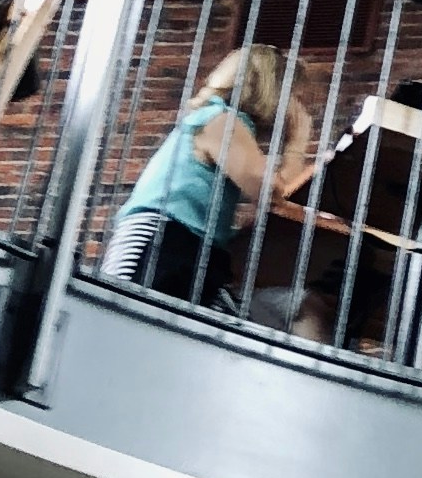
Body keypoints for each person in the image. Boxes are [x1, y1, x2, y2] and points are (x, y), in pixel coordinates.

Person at [99, 44, 315, 305]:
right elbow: (274, 193)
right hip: (162, 243)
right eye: (294, 96)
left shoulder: (221, 122)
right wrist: (297, 143)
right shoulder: (221, 121)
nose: (297, 108)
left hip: (186, 247)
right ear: (273, 90)